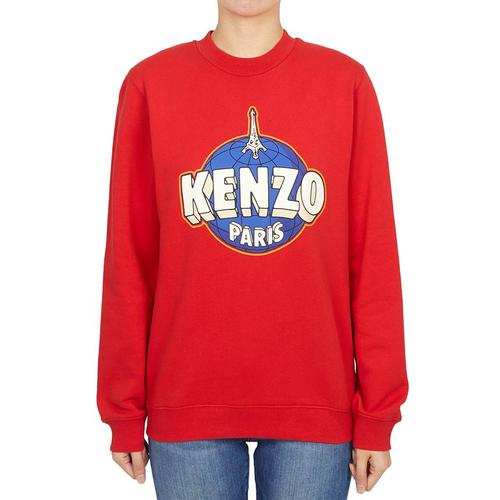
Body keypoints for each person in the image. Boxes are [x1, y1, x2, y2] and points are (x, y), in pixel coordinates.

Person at [96, 0, 409, 498]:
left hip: (315, 400)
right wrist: (123, 408)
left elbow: (373, 257)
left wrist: (378, 412)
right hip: (186, 398)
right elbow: (129, 259)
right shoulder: (151, 84)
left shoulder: (344, 83)